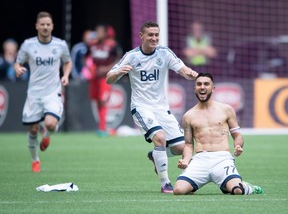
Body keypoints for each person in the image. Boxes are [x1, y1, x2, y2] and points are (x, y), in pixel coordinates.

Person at [106, 21, 198, 193]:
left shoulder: (164, 53)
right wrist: (118, 72)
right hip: (141, 107)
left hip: (162, 108)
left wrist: (195, 76)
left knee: (181, 148)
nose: (154, 38)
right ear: (141, 36)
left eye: (156, 35)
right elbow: (108, 78)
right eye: (150, 35)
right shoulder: (132, 56)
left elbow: (183, 70)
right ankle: (165, 183)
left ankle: (155, 156)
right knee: (160, 138)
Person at [173, 73, 263, 195]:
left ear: (213, 88)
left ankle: (248, 188)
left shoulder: (226, 109)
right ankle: (201, 185)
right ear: (195, 88)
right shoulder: (188, 116)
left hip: (222, 159)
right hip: (200, 161)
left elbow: (237, 135)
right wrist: (186, 160)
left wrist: (238, 146)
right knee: (178, 190)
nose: (202, 87)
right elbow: (189, 145)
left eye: (206, 84)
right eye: (199, 84)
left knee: (237, 191)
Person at [14, 11, 72, 172]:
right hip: (34, 94)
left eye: (48, 24)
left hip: (52, 92)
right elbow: (17, 63)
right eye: (42, 24)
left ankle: (46, 136)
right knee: (32, 129)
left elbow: (67, 62)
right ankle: (35, 160)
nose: (45, 27)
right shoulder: (28, 45)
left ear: (52, 26)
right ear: (37, 26)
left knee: (50, 123)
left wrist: (66, 75)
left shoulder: (60, 45)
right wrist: (18, 69)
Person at [85, 24, 122, 137]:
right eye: (97, 32)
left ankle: (102, 127)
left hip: (105, 78)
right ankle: (101, 126)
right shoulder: (92, 45)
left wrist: (108, 69)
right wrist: (89, 68)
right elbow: (86, 57)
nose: (98, 34)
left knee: (103, 100)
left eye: (100, 32)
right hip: (94, 77)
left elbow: (119, 59)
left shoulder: (112, 45)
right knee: (96, 100)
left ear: (105, 33)